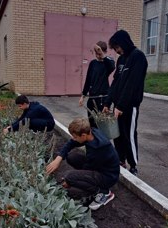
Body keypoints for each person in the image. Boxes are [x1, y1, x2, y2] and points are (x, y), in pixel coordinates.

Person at [46, 118, 119, 210]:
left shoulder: (98, 149)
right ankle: (86, 182)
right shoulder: (91, 133)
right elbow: (71, 143)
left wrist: (69, 181)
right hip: (99, 166)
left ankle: (104, 193)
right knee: (72, 157)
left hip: (108, 176)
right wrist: (58, 159)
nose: (73, 139)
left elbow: (88, 168)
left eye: (75, 137)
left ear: (83, 135)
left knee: (70, 177)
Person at [103, 30, 148, 175]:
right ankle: (120, 160)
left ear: (124, 42)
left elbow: (132, 84)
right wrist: (107, 102)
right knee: (118, 135)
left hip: (130, 106)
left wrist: (121, 105)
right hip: (117, 106)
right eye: (115, 48)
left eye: (117, 46)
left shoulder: (138, 57)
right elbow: (115, 83)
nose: (116, 50)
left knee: (129, 135)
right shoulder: (121, 60)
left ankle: (133, 165)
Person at [79, 41, 115, 128]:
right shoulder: (93, 63)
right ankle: (95, 141)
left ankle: (103, 141)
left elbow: (112, 67)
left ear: (105, 52)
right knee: (92, 124)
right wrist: (83, 96)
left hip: (103, 99)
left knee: (102, 125)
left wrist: (102, 54)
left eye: (100, 53)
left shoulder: (108, 62)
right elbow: (88, 80)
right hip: (92, 98)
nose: (98, 56)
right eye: (96, 53)